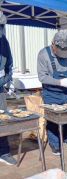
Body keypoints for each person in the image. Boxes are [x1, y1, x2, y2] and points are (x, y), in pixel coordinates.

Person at [37, 30, 67, 155]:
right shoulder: (43, 55)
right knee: (53, 119)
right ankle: (55, 144)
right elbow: (42, 77)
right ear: (53, 45)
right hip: (51, 93)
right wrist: (59, 82)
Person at [0, 12, 17, 165]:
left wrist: (6, 79)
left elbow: (9, 64)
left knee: (2, 121)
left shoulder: (3, 41)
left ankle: (3, 151)